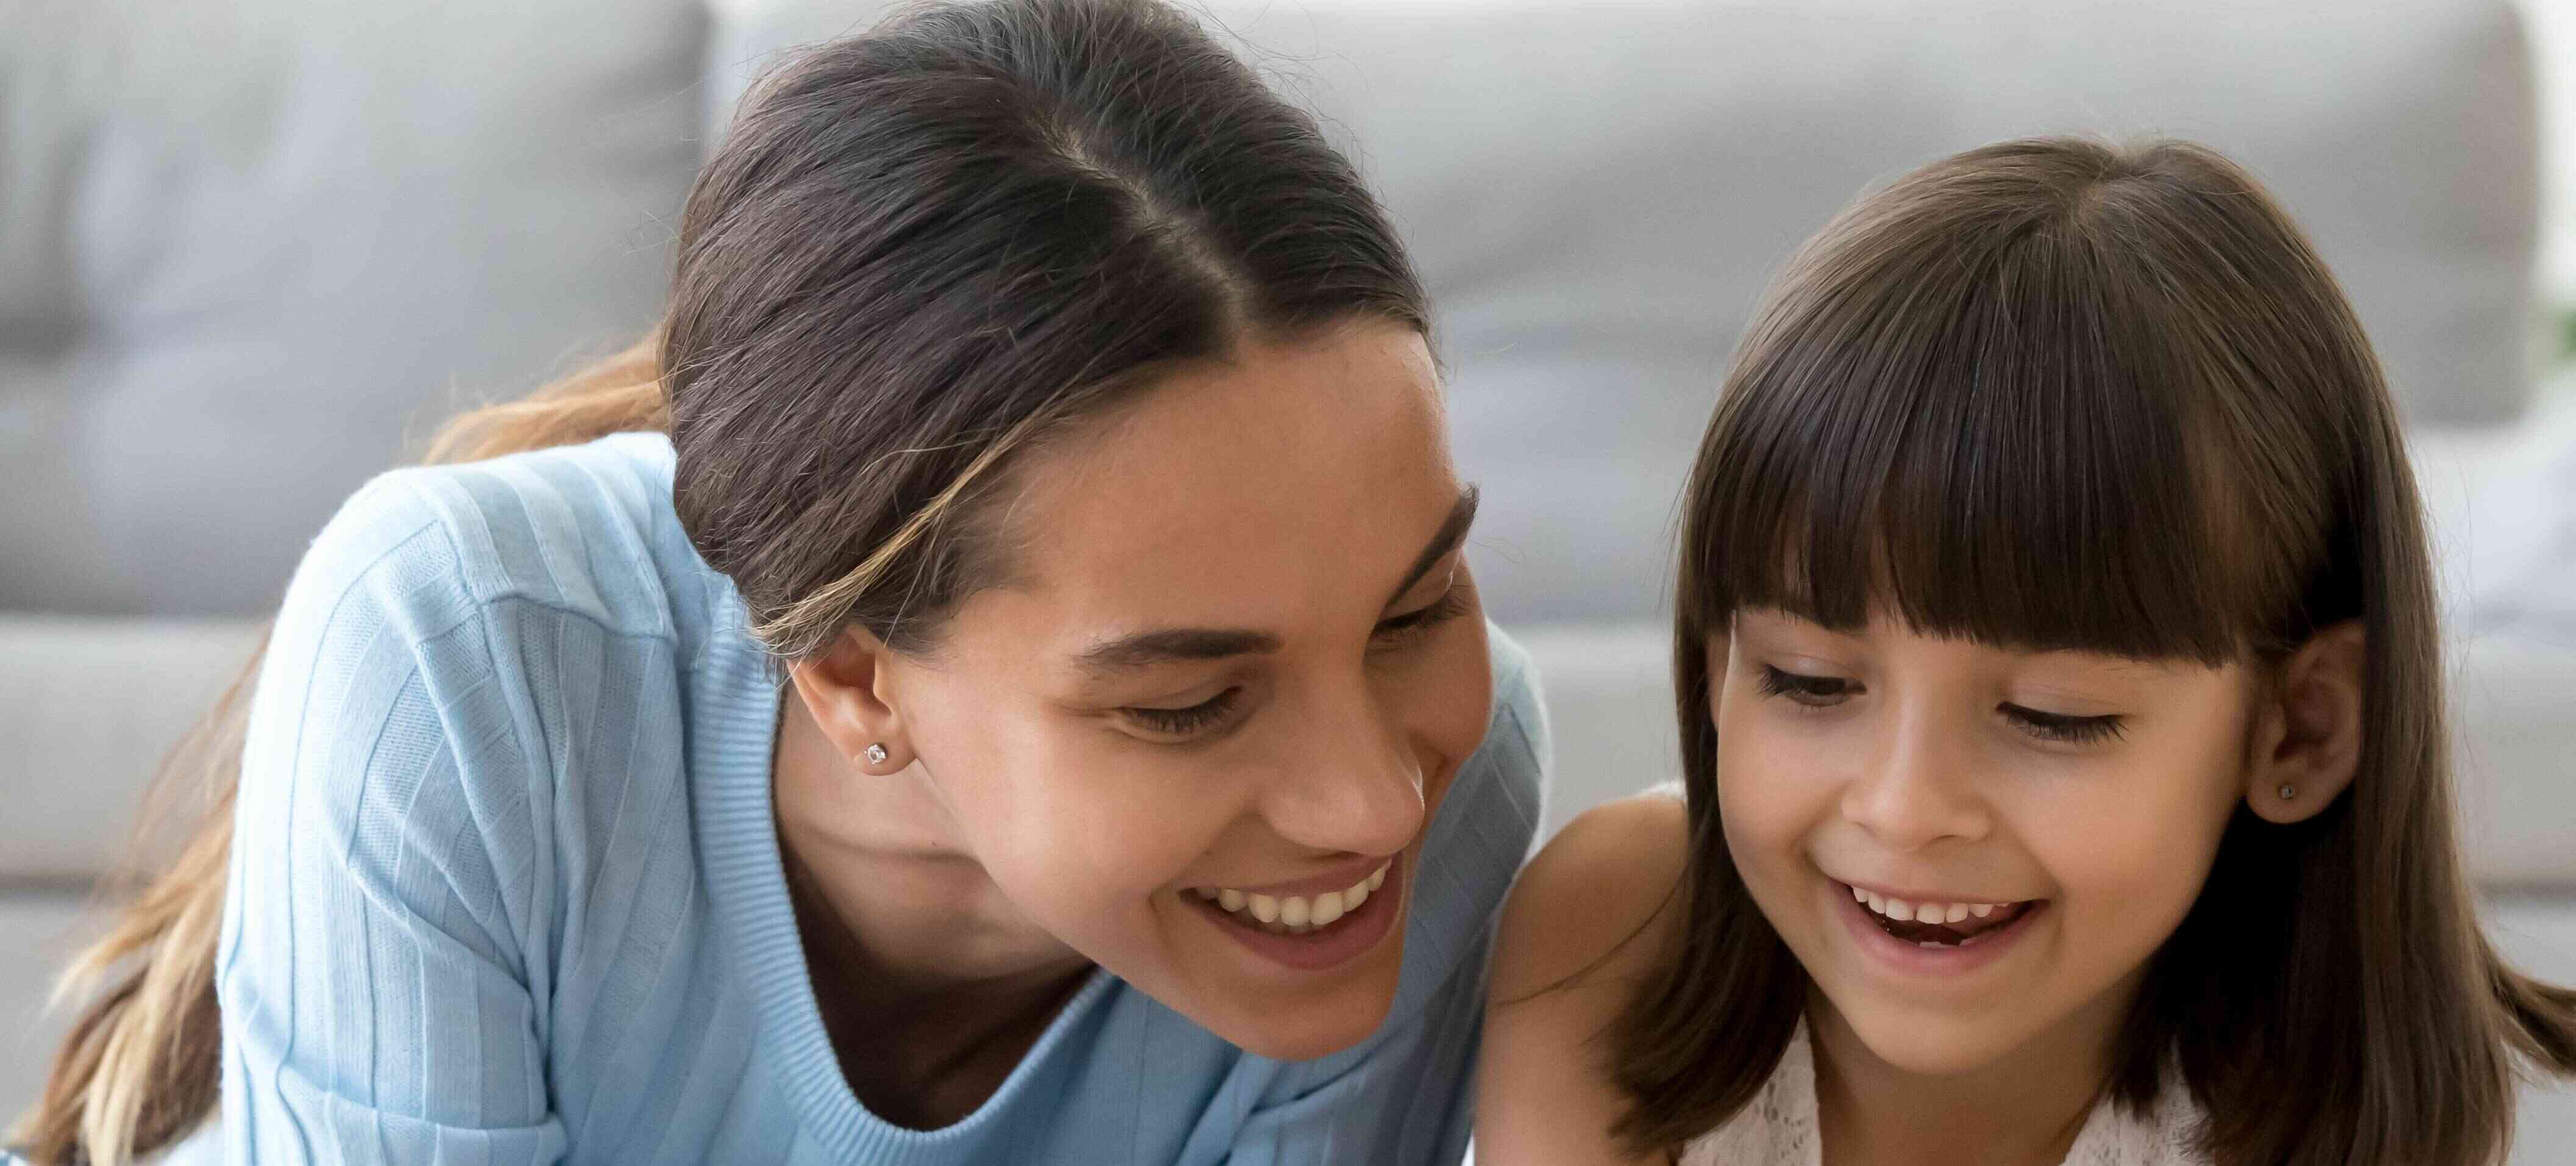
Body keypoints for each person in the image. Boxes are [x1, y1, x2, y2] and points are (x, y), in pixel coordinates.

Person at [15, 1, 1543, 1162]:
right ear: (857, 676)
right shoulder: (464, 651)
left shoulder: (1451, 803)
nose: (1372, 803)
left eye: (1416, 609)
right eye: (1192, 701)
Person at [1475, 138, 2576, 1166]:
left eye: (2054, 716)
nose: (1908, 808)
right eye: (1809, 682)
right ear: (1720, 665)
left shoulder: (2342, 1123)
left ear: (2300, 728)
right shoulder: (1615, 936)